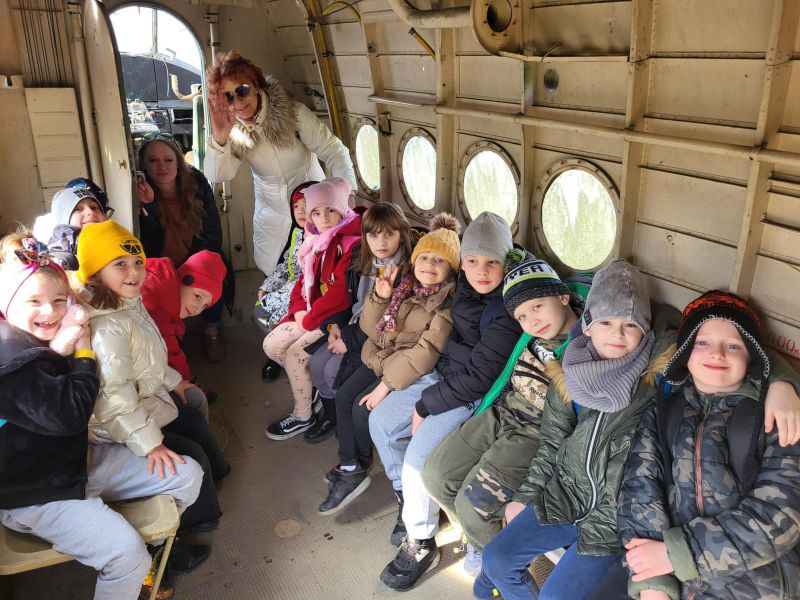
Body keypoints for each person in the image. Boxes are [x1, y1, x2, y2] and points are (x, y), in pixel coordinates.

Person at [0, 234, 202, 600]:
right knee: (127, 557)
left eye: (59, 301)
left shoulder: (44, 339)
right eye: (34, 301)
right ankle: (138, 561)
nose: (50, 312)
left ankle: (154, 546)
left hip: (78, 461)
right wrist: (83, 352)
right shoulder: (10, 358)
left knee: (188, 475)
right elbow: (71, 416)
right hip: (38, 491)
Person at [473, 259, 670, 600]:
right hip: (566, 494)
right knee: (496, 559)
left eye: (631, 324)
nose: (617, 335)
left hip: (615, 517)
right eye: (605, 322)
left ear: (646, 331)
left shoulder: (657, 379)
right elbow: (551, 443)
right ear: (588, 326)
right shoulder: (569, 372)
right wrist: (525, 496)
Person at [369, 211, 521, 591]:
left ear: (506, 262)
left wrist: (426, 405)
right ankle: (411, 503)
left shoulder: (505, 308)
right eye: (472, 261)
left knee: (417, 461)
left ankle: (421, 541)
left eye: (492, 262)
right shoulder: (463, 286)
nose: (481, 271)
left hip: (471, 394)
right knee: (381, 422)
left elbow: (480, 377)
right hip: (443, 375)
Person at [617, 290, 800, 600]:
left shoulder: (774, 417)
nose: (717, 354)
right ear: (686, 352)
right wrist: (653, 584)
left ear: (752, 355)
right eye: (702, 343)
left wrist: (678, 553)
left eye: (733, 345)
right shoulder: (664, 410)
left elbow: (782, 514)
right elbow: (639, 489)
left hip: (756, 584)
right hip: (676, 578)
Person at [421, 250, 586, 577]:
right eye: (522, 315)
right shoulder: (529, 337)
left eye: (538, 306)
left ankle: (500, 568)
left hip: (536, 432)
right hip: (503, 411)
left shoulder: (585, 344)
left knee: (472, 506)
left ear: (563, 296)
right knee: (435, 475)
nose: (532, 321)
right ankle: (480, 539)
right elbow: (504, 378)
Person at [75, 221, 228, 570]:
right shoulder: (105, 326)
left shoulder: (129, 302)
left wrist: (176, 382)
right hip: (114, 426)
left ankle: (214, 477)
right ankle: (189, 527)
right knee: (186, 453)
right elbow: (113, 397)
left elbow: (150, 360)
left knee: (191, 417)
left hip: (142, 401)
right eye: (120, 264)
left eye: (137, 263)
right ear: (95, 272)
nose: (134, 272)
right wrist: (151, 446)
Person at [319, 213, 460, 515]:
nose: (429, 265)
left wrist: (384, 386)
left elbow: (424, 352)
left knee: (362, 408)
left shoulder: (447, 303)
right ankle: (351, 464)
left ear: (451, 269)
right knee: (344, 395)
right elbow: (373, 329)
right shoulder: (406, 286)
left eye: (439, 260)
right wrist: (381, 298)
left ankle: (360, 466)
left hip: (402, 369)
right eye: (424, 258)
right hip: (382, 357)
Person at [203, 50, 356, 277]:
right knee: (276, 276)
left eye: (242, 91)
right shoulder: (233, 131)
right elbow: (218, 175)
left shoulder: (293, 114)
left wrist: (347, 196)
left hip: (314, 210)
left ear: (256, 85)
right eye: (229, 96)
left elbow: (334, 151)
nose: (238, 102)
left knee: (318, 272)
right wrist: (220, 136)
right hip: (271, 219)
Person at [305, 202, 418, 443]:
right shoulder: (361, 259)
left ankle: (345, 421)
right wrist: (334, 325)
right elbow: (348, 300)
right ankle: (333, 416)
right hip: (352, 325)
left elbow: (391, 321)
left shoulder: (407, 272)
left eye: (389, 234)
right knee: (315, 364)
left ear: (402, 234)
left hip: (376, 338)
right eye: (373, 235)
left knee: (332, 370)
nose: (381, 242)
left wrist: (348, 339)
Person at [263, 178, 362, 440]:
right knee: (271, 345)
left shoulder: (350, 244)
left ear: (342, 209)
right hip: (309, 312)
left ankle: (303, 415)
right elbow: (302, 283)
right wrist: (298, 310)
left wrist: (308, 320)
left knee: (295, 356)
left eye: (330, 210)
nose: (324, 218)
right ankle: (309, 387)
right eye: (316, 212)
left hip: (334, 319)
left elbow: (340, 295)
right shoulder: (316, 240)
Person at [136, 135, 232, 363]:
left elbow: (213, 230)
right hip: (163, 260)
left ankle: (212, 329)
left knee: (216, 273)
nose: (162, 167)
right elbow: (149, 243)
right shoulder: (142, 191)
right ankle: (173, 336)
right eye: (153, 160)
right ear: (144, 165)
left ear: (178, 163)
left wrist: (200, 265)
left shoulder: (196, 183)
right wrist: (149, 205)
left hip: (197, 252)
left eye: (168, 160)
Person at [141, 250, 228, 421]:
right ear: (184, 279)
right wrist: (185, 381)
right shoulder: (158, 300)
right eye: (197, 296)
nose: (197, 309)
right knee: (194, 399)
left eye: (205, 306)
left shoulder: (167, 288)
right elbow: (169, 351)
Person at [254, 181, 314, 382]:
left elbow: (308, 279)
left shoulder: (320, 239)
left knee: (263, 314)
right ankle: (278, 355)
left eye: (307, 205)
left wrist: (277, 295)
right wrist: (268, 286)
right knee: (258, 312)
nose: (301, 211)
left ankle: (284, 356)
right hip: (289, 289)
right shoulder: (297, 233)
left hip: (303, 295)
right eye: (296, 206)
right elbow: (285, 265)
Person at [46, 179, 111, 270]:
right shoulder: (60, 261)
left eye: (94, 207)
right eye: (78, 210)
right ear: (64, 219)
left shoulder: (117, 244)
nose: (90, 212)